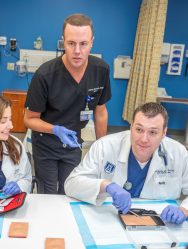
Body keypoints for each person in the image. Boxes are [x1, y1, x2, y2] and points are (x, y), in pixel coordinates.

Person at [65, 102, 188, 224]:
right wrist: (106, 185)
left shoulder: (177, 153)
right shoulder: (105, 146)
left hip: (160, 223)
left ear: (164, 133)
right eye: (139, 129)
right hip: (107, 219)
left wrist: (184, 210)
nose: (143, 139)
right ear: (130, 127)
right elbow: (71, 184)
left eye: (153, 132)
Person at [24, 13, 111, 194]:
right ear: (63, 41)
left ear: (92, 42)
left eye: (83, 44)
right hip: (45, 142)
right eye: (71, 43)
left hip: (73, 142)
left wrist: (101, 147)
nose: (77, 51)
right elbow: (29, 119)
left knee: (70, 191)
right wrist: (55, 129)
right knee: (48, 194)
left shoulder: (100, 70)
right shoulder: (44, 75)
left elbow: (100, 111)